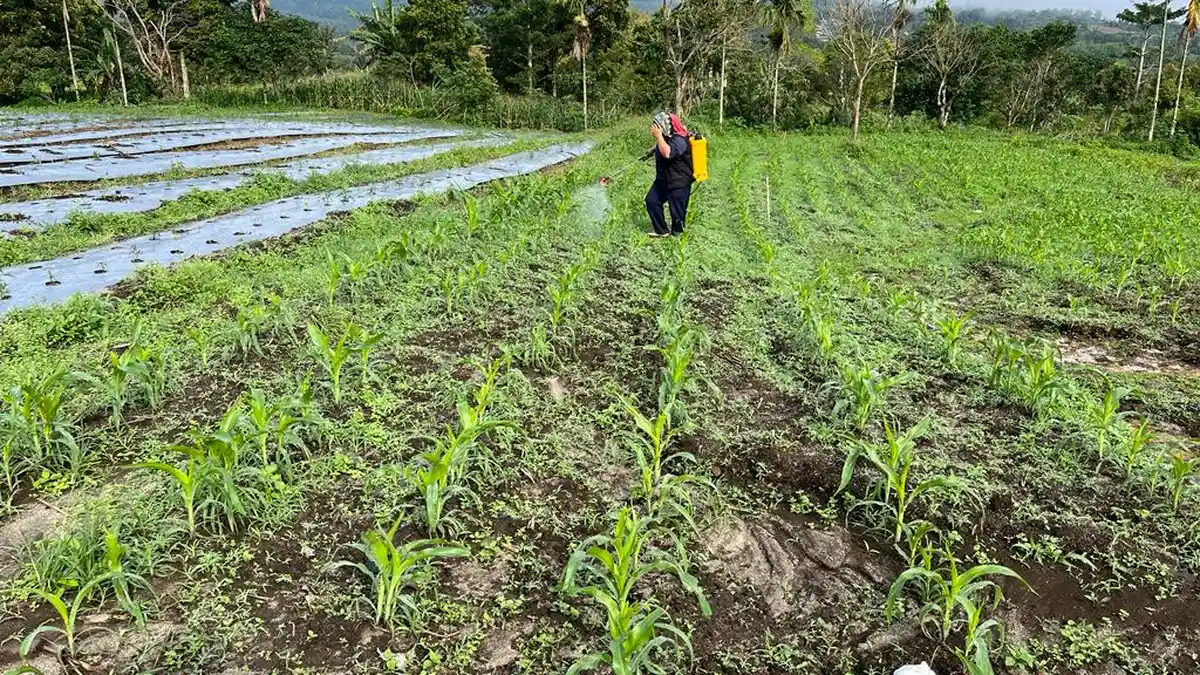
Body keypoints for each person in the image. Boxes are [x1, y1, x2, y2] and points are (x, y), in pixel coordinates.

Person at [644, 112, 693, 238]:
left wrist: (658, 136)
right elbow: (661, 146)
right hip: (664, 179)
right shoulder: (667, 137)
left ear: (666, 126)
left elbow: (667, 153)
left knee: (677, 214)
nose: (654, 128)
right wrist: (650, 151)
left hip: (679, 181)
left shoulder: (680, 140)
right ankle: (662, 231)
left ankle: (678, 237)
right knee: (652, 201)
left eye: (657, 126)